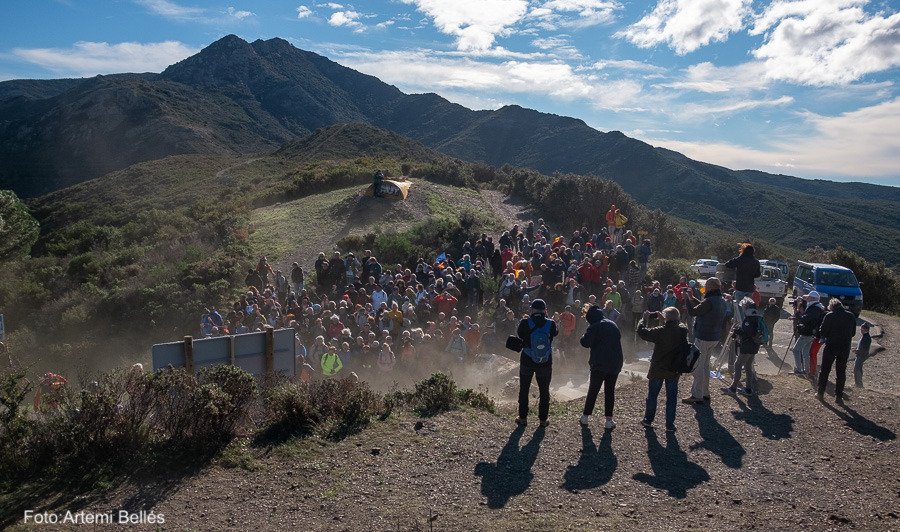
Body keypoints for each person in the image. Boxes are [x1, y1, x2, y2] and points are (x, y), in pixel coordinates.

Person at [637, 306, 685, 432]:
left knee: (652, 395)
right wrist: (666, 319)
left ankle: (648, 419)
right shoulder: (682, 330)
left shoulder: (661, 331)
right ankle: (670, 424)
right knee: (672, 398)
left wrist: (644, 319)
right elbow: (679, 325)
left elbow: (642, 332)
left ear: (667, 318)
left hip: (658, 367)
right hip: (674, 368)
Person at [682, 277, 727, 405]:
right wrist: (692, 298)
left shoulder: (710, 300)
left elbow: (693, 313)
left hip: (703, 336)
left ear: (712, 286)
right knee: (706, 366)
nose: (704, 287)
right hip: (714, 337)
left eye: (706, 285)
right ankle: (705, 392)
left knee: (698, 366)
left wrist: (686, 299)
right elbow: (703, 307)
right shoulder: (721, 300)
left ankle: (697, 394)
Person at [579, 305, 623, 430]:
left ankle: (585, 417)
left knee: (593, 390)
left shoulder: (593, 327)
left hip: (599, 363)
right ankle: (609, 420)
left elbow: (585, 343)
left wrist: (584, 334)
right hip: (615, 363)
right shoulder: (612, 324)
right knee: (610, 391)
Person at [516, 299, 558, 427]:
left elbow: (519, 335)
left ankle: (523, 418)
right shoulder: (551, 323)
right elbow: (555, 333)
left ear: (531, 309)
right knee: (544, 390)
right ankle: (543, 419)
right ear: (545, 310)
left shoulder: (524, 322)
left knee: (524, 389)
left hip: (527, 359)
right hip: (545, 361)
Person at [816, 298, 858, 404]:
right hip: (845, 346)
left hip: (831, 345)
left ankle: (820, 393)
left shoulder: (830, 316)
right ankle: (839, 396)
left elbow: (823, 331)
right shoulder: (850, 316)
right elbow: (853, 332)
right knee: (841, 371)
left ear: (831, 306)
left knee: (825, 370)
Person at [722, 298, 762, 396]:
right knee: (748, 367)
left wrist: (736, 331)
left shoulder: (748, 319)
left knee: (737, 365)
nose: (742, 309)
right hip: (754, 346)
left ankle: (733, 388)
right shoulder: (756, 317)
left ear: (746, 307)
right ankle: (748, 389)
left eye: (743, 307)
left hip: (747, 346)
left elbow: (747, 333)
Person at [791, 291, 825, 376]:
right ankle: (807, 370)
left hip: (807, 332)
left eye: (809, 297)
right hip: (812, 332)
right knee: (806, 351)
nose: (807, 298)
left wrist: (797, 314)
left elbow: (805, 319)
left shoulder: (814, 309)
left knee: (796, 350)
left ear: (813, 298)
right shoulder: (817, 307)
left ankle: (799, 370)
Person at [724, 243, 760, 320]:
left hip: (740, 287)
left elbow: (728, 264)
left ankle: (740, 324)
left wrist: (738, 258)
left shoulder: (740, 259)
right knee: (747, 306)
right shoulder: (756, 262)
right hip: (750, 288)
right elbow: (757, 275)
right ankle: (746, 322)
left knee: (739, 307)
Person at [852, 322, 872, 388]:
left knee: (856, 369)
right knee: (859, 368)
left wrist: (857, 351)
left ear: (864, 329)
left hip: (861, 355)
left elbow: (864, 349)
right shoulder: (866, 336)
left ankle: (858, 384)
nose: (860, 330)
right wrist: (856, 348)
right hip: (861, 354)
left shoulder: (866, 338)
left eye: (861, 328)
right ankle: (859, 383)